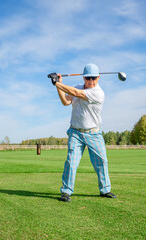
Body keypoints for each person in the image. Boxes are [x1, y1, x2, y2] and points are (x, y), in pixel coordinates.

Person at [50, 63, 116, 202]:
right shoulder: (77, 87)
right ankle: (66, 191)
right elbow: (66, 101)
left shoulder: (98, 93)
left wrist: (57, 83)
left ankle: (105, 190)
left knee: (102, 162)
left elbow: (76, 93)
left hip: (94, 133)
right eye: (88, 78)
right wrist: (59, 85)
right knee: (71, 161)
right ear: (84, 78)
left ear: (98, 78)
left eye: (93, 78)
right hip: (75, 132)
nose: (91, 81)